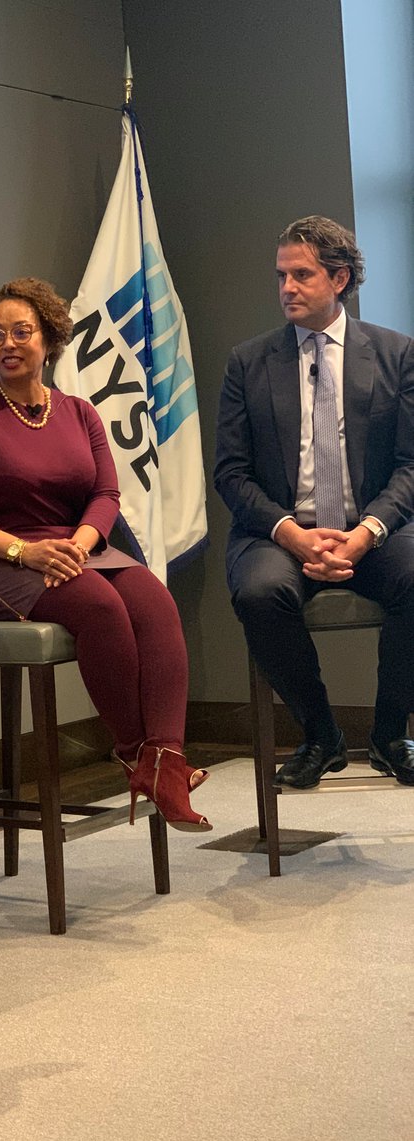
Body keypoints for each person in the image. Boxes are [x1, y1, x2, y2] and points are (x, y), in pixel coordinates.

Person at [0, 276, 211, 831]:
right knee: (100, 607)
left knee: (155, 602)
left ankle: (166, 759)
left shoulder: (79, 412)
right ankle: (135, 753)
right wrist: (24, 551)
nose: (8, 344)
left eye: (21, 332)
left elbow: (105, 493)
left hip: (75, 548)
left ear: (49, 338)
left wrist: (81, 543)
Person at [214, 215, 414, 788]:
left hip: (372, 529)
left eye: (301, 275)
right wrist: (291, 534)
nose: (287, 288)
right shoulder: (248, 362)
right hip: (280, 532)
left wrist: (367, 531)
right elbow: (230, 472)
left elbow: (410, 465)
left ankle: (389, 734)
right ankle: (321, 734)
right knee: (259, 592)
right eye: (281, 276)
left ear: (340, 278)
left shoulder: (397, 354)